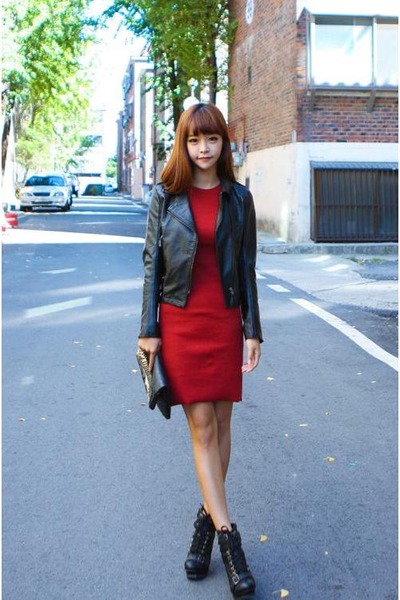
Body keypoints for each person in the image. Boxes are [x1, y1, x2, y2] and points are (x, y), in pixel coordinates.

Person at [138, 102, 263, 598]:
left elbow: (248, 267)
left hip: (225, 320)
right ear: (183, 145)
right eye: (194, 140)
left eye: (212, 139)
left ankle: (203, 527)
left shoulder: (239, 199)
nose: (203, 148)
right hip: (181, 321)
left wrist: (253, 329)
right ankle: (230, 540)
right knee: (202, 425)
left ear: (223, 144)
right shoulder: (166, 198)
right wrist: (148, 330)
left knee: (225, 423)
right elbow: (152, 265)